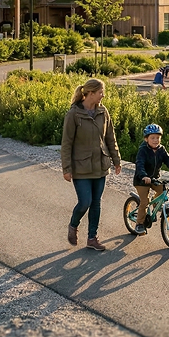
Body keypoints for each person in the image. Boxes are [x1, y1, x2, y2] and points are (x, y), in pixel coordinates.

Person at [61, 78, 122, 252]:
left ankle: (92, 238)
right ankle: (73, 225)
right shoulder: (73, 114)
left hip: (101, 165)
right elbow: (66, 143)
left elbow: (110, 137)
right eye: (101, 92)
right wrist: (66, 169)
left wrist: (116, 160)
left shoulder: (103, 111)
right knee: (85, 202)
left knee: (96, 203)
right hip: (80, 167)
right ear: (91, 93)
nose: (103, 96)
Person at [133, 124, 169, 235]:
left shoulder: (161, 149)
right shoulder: (143, 150)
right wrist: (144, 176)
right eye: (152, 138)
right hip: (141, 180)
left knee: (162, 191)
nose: (156, 140)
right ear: (146, 139)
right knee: (144, 202)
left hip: (155, 178)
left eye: (158, 138)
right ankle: (139, 224)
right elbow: (140, 164)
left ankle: (155, 203)